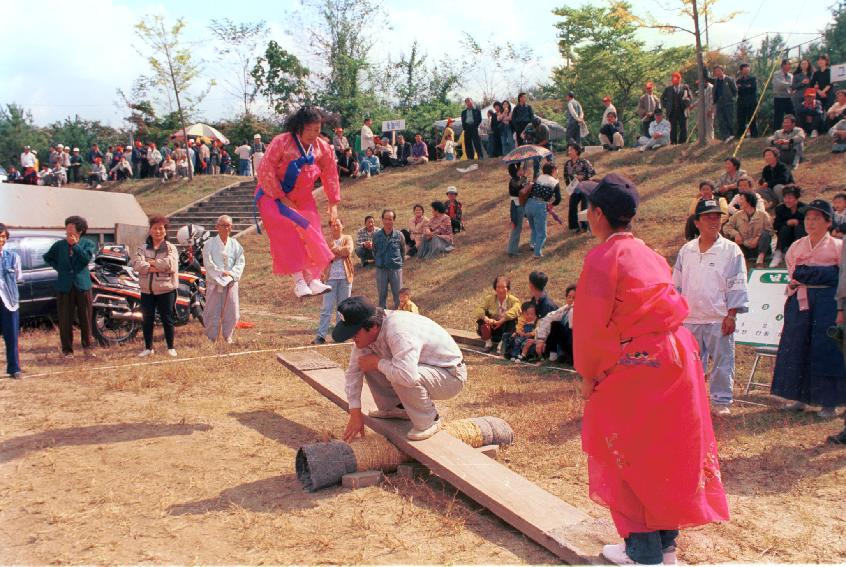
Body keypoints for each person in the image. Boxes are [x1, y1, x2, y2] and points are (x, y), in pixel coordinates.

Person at [573, 172, 729, 566]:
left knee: (625, 448)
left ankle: (643, 552)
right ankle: (665, 547)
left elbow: (591, 328)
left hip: (637, 364)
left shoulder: (602, 258)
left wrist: (590, 377)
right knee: (664, 449)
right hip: (678, 357)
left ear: (597, 215)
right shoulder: (648, 252)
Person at [334, 295, 467, 441]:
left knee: (397, 372)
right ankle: (398, 408)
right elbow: (354, 372)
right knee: (367, 362)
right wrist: (355, 413)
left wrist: (378, 363)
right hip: (425, 369)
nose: (351, 337)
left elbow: (407, 376)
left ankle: (429, 420)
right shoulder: (371, 332)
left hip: (451, 375)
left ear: (372, 326)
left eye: (354, 333)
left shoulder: (398, 331)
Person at [674, 199, 750, 416]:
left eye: (716, 216)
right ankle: (690, 398)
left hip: (718, 317)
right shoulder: (686, 250)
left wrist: (732, 315)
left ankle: (721, 400)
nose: (713, 221)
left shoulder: (731, 250)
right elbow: (676, 284)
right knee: (689, 363)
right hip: (690, 319)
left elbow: (737, 282)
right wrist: (676, 316)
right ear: (697, 222)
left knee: (722, 361)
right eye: (707, 217)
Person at [255, 105, 339, 299]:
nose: (312, 134)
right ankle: (299, 280)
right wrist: (281, 197)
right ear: (298, 127)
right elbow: (265, 169)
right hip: (272, 194)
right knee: (288, 229)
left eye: (316, 130)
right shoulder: (281, 142)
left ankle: (315, 278)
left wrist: (333, 203)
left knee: (313, 230)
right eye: (308, 129)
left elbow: (330, 173)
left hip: (302, 196)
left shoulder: (322, 147)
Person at [772, 199, 846, 418]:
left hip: (828, 302)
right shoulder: (796, 246)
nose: (811, 222)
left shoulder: (838, 247)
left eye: (816, 218)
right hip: (801, 300)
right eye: (808, 218)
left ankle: (829, 402)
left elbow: (842, 278)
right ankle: (798, 397)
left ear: (828, 222)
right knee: (797, 345)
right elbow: (791, 271)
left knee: (826, 348)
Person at [42, 216, 97, 359]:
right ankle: (67, 351)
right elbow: (47, 257)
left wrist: (76, 245)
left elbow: (86, 259)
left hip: (82, 285)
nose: (68, 230)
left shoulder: (88, 243)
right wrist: (59, 268)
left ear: (80, 230)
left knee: (86, 318)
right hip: (64, 286)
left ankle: (88, 348)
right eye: (67, 228)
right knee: (65, 319)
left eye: (71, 228)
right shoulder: (59, 245)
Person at [132, 215, 179, 357]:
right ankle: (148, 347)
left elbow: (170, 265)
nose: (158, 231)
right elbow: (136, 264)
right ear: (150, 230)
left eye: (161, 228)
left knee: (167, 318)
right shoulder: (142, 248)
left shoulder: (171, 248)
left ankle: (170, 347)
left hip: (166, 289)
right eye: (155, 228)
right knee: (147, 319)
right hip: (147, 290)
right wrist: (157, 265)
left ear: (165, 231)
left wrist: (150, 262)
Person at [203, 215, 246, 344]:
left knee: (232, 310)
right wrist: (221, 274)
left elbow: (240, 262)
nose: (226, 228)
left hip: (231, 282)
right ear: (217, 227)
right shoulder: (209, 244)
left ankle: (228, 336)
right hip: (214, 281)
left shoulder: (235, 244)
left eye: (228, 225)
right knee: (212, 310)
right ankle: (211, 337)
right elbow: (208, 262)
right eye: (223, 225)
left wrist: (231, 274)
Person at [314, 218, 354, 345]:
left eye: (338, 224)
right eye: (333, 225)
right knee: (327, 308)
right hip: (330, 278)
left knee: (342, 309)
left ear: (342, 226)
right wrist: (338, 253)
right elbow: (325, 256)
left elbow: (348, 251)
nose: (335, 227)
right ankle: (321, 336)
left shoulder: (348, 238)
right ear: (330, 227)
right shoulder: (326, 241)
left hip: (345, 278)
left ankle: (339, 335)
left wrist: (334, 250)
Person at [722, 192, 773, 266]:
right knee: (730, 237)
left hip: (759, 246)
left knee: (766, 234)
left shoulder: (763, 214)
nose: (739, 202)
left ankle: (760, 260)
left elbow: (770, 230)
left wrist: (757, 238)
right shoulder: (737, 215)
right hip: (744, 245)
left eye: (742, 199)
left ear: (749, 201)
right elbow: (726, 227)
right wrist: (736, 234)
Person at [475, 275, 521, 353]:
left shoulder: (514, 300)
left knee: (512, 320)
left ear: (508, 288)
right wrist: (486, 318)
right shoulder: (489, 299)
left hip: (505, 329)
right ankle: (488, 343)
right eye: (498, 287)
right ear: (495, 288)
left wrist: (503, 319)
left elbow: (517, 309)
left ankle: (502, 344)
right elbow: (479, 308)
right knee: (481, 319)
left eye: (503, 287)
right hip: (493, 328)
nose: (500, 290)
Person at [0, 223, 23, 379]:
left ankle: (14, 369)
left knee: (12, 336)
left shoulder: (13, 257)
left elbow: (18, 278)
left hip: (9, 302)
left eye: (2, 237)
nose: (0, 240)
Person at [525, 162, 562, 258]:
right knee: (542, 233)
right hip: (540, 206)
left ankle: (532, 244)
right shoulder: (554, 182)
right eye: (556, 169)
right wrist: (552, 204)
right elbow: (558, 199)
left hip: (529, 204)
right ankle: (537, 253)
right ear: (553, 170)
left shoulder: (538, 177)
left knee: (534, 228)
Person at [534, 283, 576, 364]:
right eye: (569, 297)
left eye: (574, 298)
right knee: (553, 323)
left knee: (556, 325)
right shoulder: (564, 309)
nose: (571, 300)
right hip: (566, 344)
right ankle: (552, 356)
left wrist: (573, 308)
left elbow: (572, 325)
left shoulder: (580, 311)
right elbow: (547, 319)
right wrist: (541, 339)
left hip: (576, 346)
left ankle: (567, 357)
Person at [373, 209, 405, 309]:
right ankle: (382, 320)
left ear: (393, 220)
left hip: (395, 269)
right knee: (382, 296)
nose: (388, 222)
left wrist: (398, 263)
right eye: (386, 219)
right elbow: (374, 251)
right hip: (381, 270)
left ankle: (399, 318)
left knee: (399, 296)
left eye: (390, 219)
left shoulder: (399, 235)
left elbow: (402, 251)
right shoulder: (376, 236)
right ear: (382, 220)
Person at [771, 185, 807, 268]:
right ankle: (778, 254)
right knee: (784, 228)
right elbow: (776, 225)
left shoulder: (804, 208)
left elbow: (809, 224)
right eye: (785, 198)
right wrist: (787, 223)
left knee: (799, 227)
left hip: (800, 236)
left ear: (796, 198)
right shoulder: (780, 209)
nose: (787, 201)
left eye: (790, 198)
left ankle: (799, 255)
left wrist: (798, 222)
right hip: (785, 237)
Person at [564, 143, 596, 233]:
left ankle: (585, 227)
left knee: (584, 207)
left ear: (577, 151)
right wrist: (569, 188)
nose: (569, 152)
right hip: (575, 188)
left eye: (571, 150)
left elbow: (593, 172)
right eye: (568, 150)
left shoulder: (584, 161)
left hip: (585, 187)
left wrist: (583, 176)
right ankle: (574, 227)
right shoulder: (567, 164)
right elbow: (566, 176)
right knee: (572, 206)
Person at [661, 72, 692, 144]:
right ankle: (673, 143)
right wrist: (667, 105)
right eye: (674, 79)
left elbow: (690, 97)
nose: (675, 81)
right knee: (672, 128)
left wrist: (687, 101)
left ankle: (682, 143)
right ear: (672, 80)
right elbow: (662, 98)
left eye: (677, 79)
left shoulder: (685, 87)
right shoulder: (668, 89)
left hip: (682, 111)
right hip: (672, 111)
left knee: (683, 128)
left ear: (680, 79)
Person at [506, 163, 529, 256]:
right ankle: (512, 250)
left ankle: (511, 248)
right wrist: (525, 181)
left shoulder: (518, 179)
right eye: (519, 170)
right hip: (516, 206)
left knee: (517, 228)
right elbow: (518, 188)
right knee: (517, 228)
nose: (521, 171)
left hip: (520, 205)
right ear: (516, 172)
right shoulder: (513, 181)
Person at [710, 65, 737, 141]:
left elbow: (735, 90)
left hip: (728, 102)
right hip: (719, 102)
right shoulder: (715, 80)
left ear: (722, 71)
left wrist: (732, 98)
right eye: (716, 71)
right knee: (721, 120)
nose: (717, 73)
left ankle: (732, 134)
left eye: (719, 71)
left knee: (729, 118)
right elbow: (707, 77)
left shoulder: (729, 79)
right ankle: (725, 136)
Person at [735, 63, 758, 138]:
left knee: (752, 118)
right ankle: (740, 135)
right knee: (741, 119)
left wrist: (743, 87)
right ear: (741, 70)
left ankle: (754, 135)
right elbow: (739, 91)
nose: (747, 69)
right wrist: (747, 87)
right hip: (741, 102)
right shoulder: (738, 80)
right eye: (745, 68)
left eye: (748, 68)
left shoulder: (753, 78)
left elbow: (753, 89)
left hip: (751, 101)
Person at [773, 59, 795, 131]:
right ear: (783, 65)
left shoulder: (791, 76)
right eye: (788, 64)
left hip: (788, 97)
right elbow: (780, 84)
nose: (789, 66)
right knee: (778, 116)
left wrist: (792, 89)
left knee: (792, 114)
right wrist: (791, 85)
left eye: (790, 64)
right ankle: (776, 131)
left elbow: (791, 87)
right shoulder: (777, 74)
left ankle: (793, 129)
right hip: (779, 97)